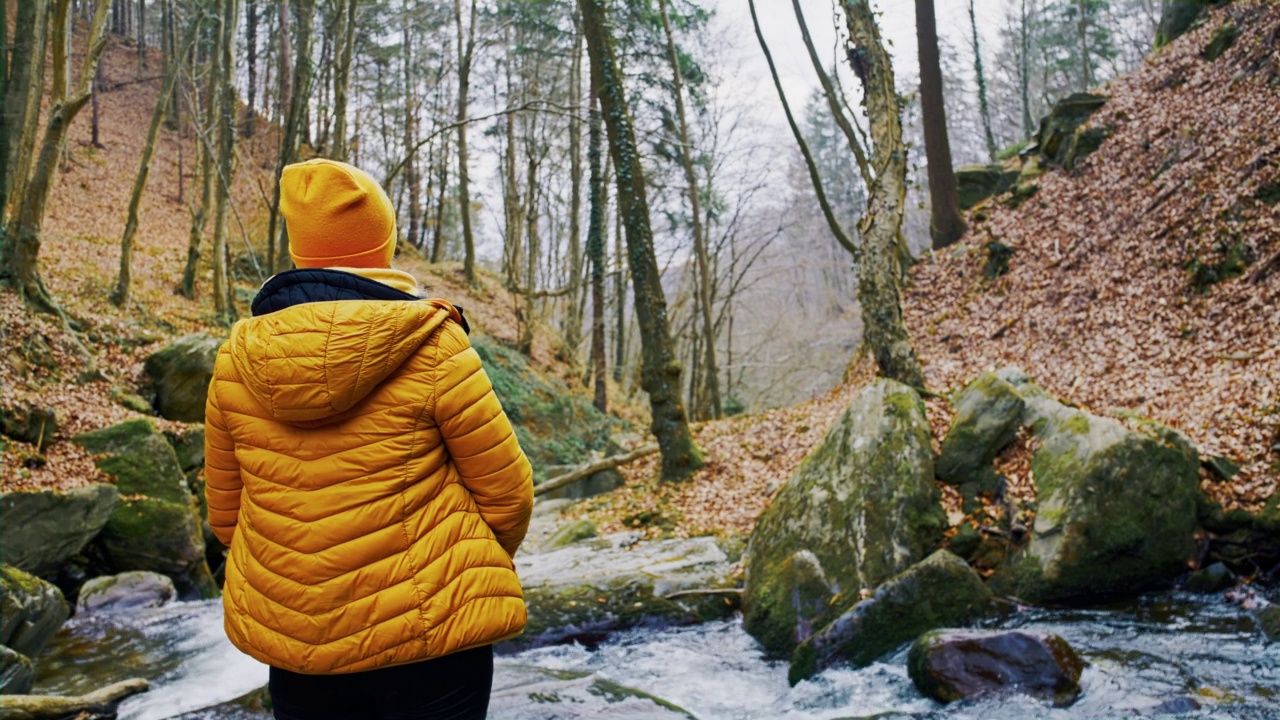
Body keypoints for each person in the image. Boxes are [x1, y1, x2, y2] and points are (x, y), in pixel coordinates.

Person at [203, 158, 534, 720]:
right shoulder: (434, 347)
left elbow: (227, 517)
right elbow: (507, 496)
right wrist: (451, 568)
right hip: (432, 638)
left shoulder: (236, 361)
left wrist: (297, 586)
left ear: (299, 253)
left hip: (301, 651)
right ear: (384, 243)